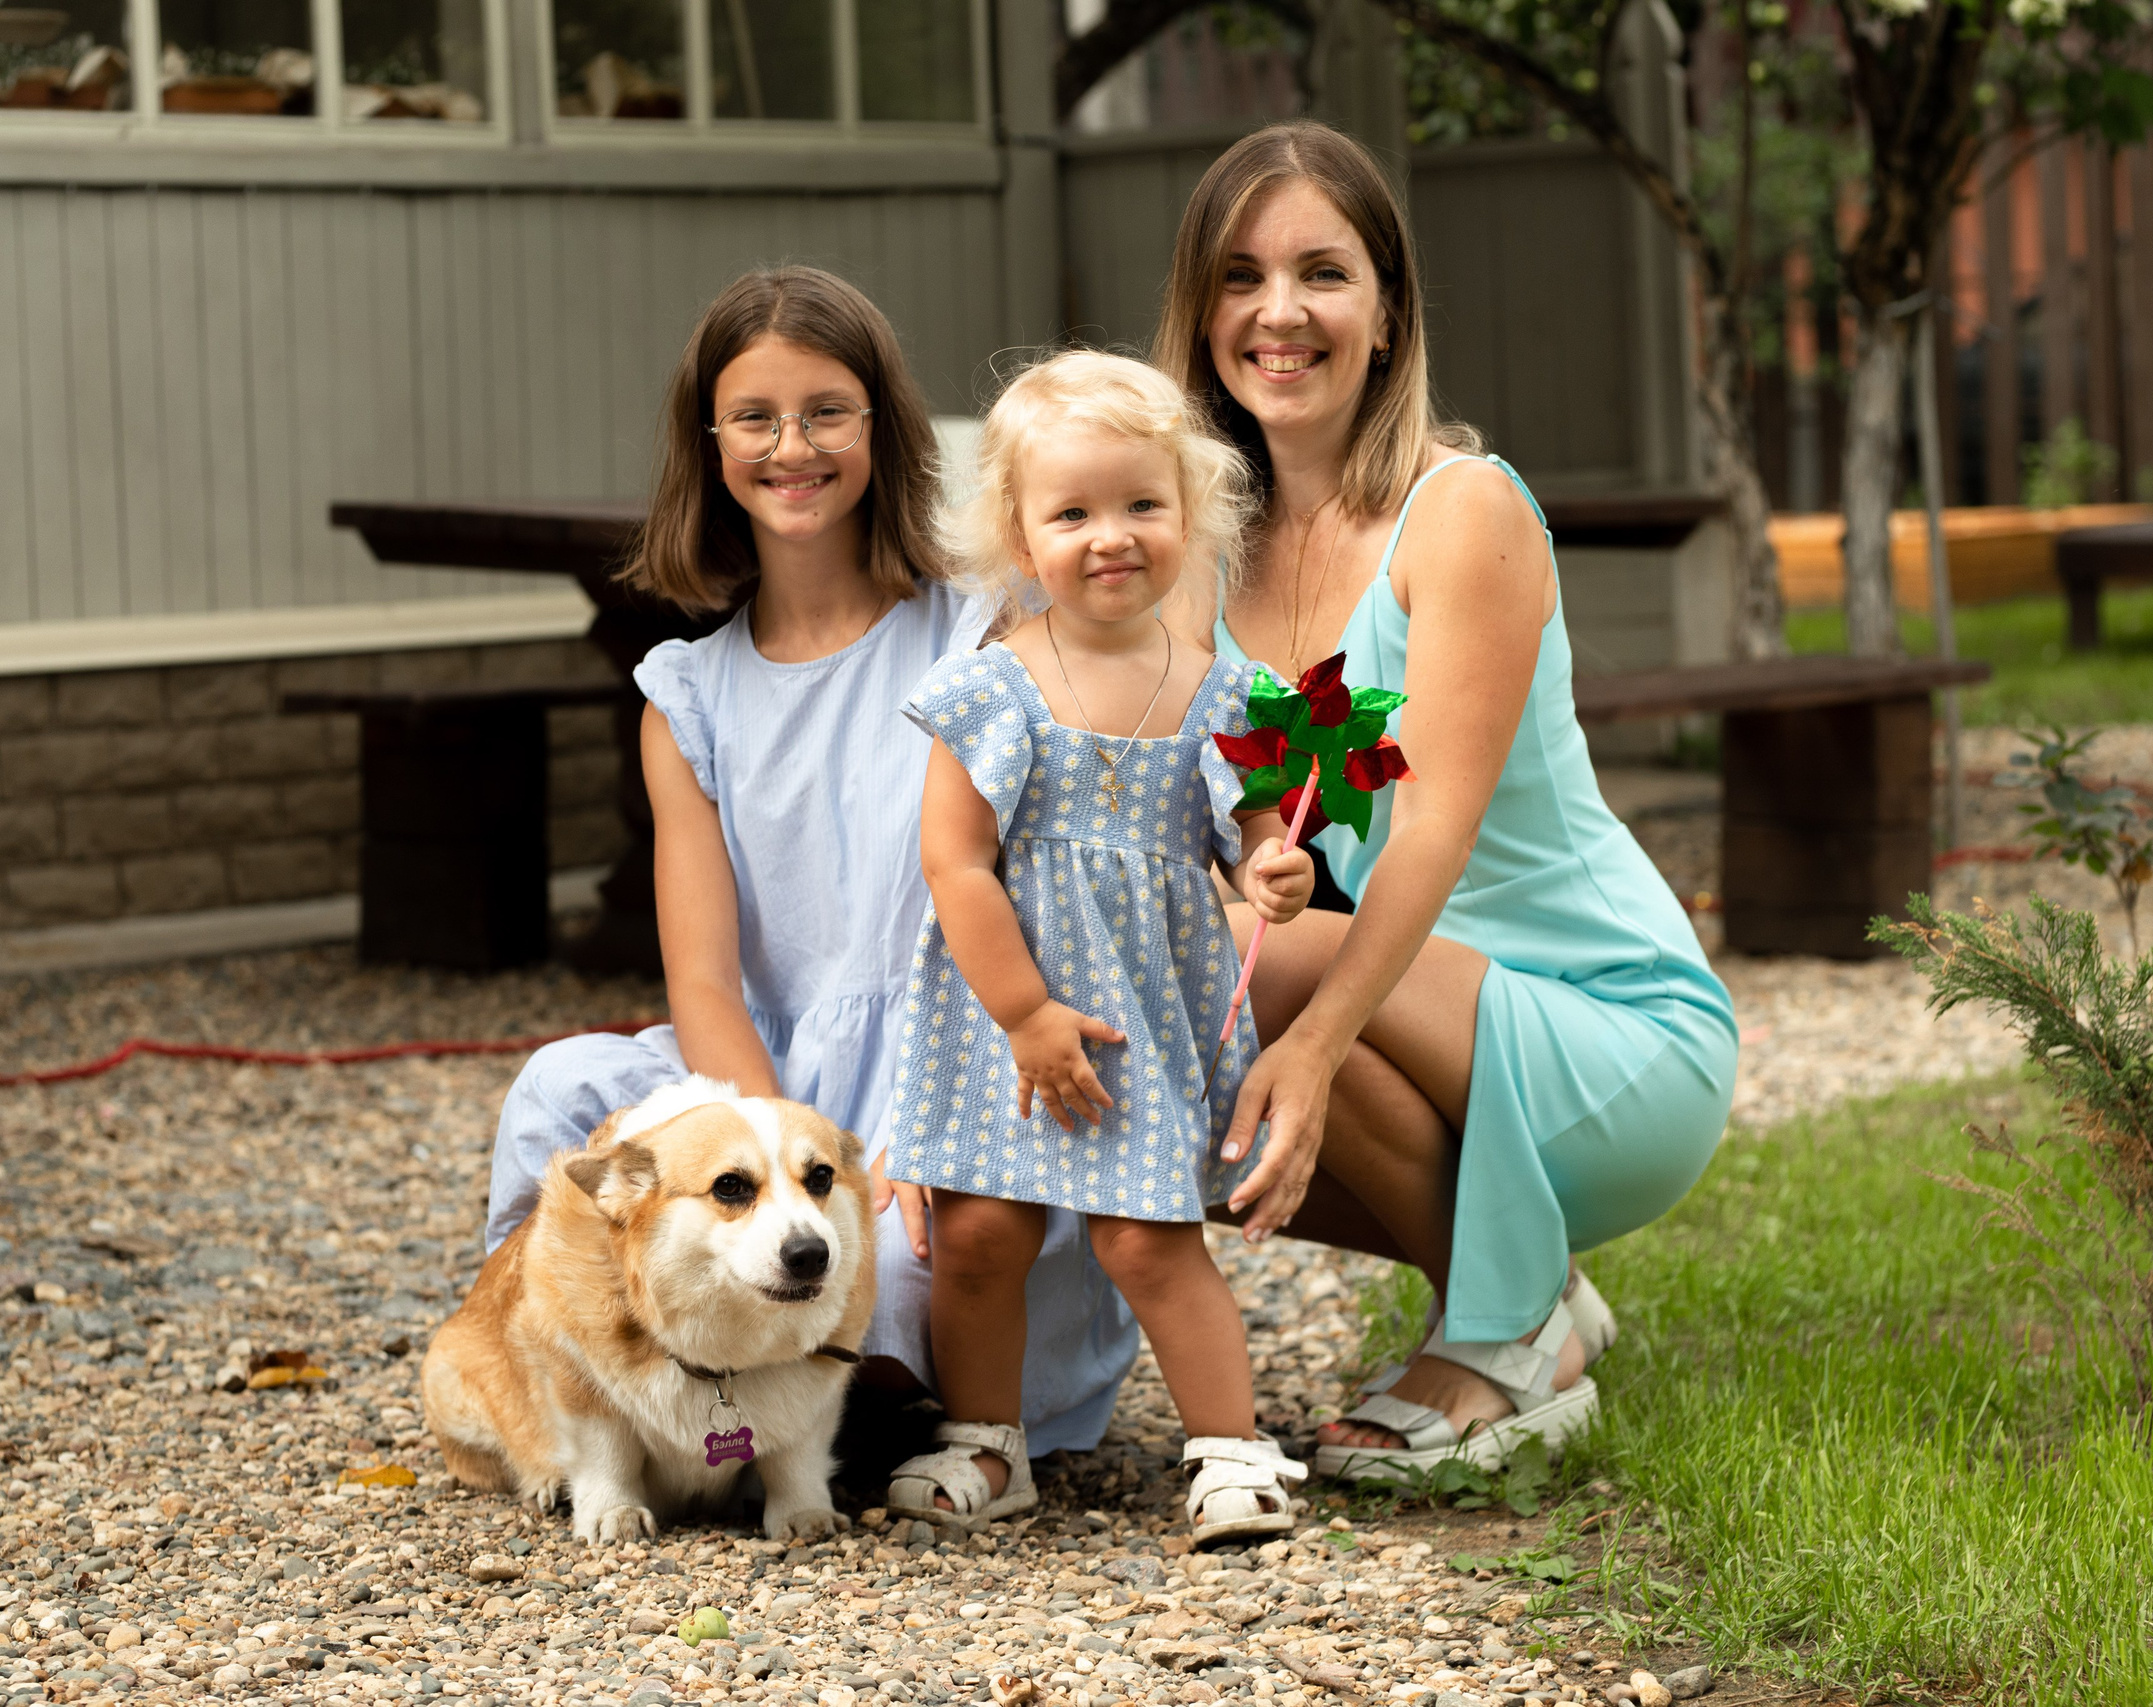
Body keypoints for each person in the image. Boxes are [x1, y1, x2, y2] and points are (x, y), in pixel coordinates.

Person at [1155, 123, 1739, 1478]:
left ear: (1387, 312)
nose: (1279, 312)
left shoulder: (1462, 511)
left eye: (1322, 273)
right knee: (1169, 1050)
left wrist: (1305, 1045)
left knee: (1232, 973)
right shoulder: (1200, 556)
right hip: (1419, 1021)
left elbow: (1432, 826)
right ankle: (1530, 1296)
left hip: (1610, 1030)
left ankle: (1508, 1327)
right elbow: (1215, 810)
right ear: (1199, 314)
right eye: (1240, 276)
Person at [483, 267, 1138, 1458]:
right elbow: (704, 984)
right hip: (760, 1091)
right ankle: (609, 1393)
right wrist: (788, 1163)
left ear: (881, 426)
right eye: (755, 418)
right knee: (559, 1096)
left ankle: (824, 1417)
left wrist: (896, 1152)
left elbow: (1041, 907)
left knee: (894, 1264)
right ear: (710, 442)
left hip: (961, 1062)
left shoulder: (982, 630)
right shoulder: (687, 698)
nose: (792, 447)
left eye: (827, 412)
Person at [877, 352, 1318, 1544]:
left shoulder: (1228, 695)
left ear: (1191, 515)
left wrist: (1273, 868)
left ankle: (1229, 1448)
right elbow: (955, 864)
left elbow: (1257, 834)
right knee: (979, 1235)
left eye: (1140, 505)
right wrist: (1025, 1014)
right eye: (1070, 513)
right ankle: (986, 1444)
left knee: (1146, 1238)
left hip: (1139, 1015)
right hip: (1004, 1019)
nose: (1109, 536)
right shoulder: (991, 690)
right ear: (1019, 540)